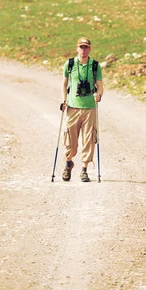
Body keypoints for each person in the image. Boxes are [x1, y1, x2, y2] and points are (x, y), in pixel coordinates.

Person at [61, 37, 103, 182]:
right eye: (81, 47)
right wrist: (64, 100)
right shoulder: (70, 64)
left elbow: (100, 84)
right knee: (71, 141)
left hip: (90, 107)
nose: (83, 50)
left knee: (88, 139)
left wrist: (99, 95)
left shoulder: (95, 66)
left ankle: (84, 170)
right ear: (77, 48)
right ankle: (68, 163)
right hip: (73, 107)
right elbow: (64, 83)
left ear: (90, 49)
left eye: (86, 47)